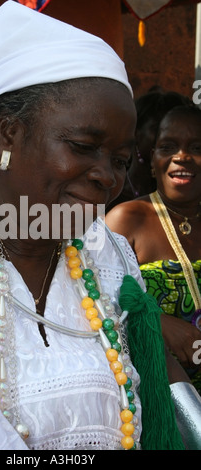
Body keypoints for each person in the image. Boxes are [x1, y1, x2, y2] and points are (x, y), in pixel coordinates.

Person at [0, 1, 198, 452]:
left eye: (120, 161)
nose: (107, 177)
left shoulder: (109, 256)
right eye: (83, 146)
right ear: (8, 134)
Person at [106, 104, 201, 399]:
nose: (181, 156)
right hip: (156, 399)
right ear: (152, 159)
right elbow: (89, 299)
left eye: (197, 147)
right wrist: (155, 321)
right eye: (168, 146)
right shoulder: (126, 219)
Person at [106, 90, 193, 211]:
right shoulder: (109, 191)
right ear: (135, 133)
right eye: (157, 129)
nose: (168, 138)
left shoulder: (189, 198)